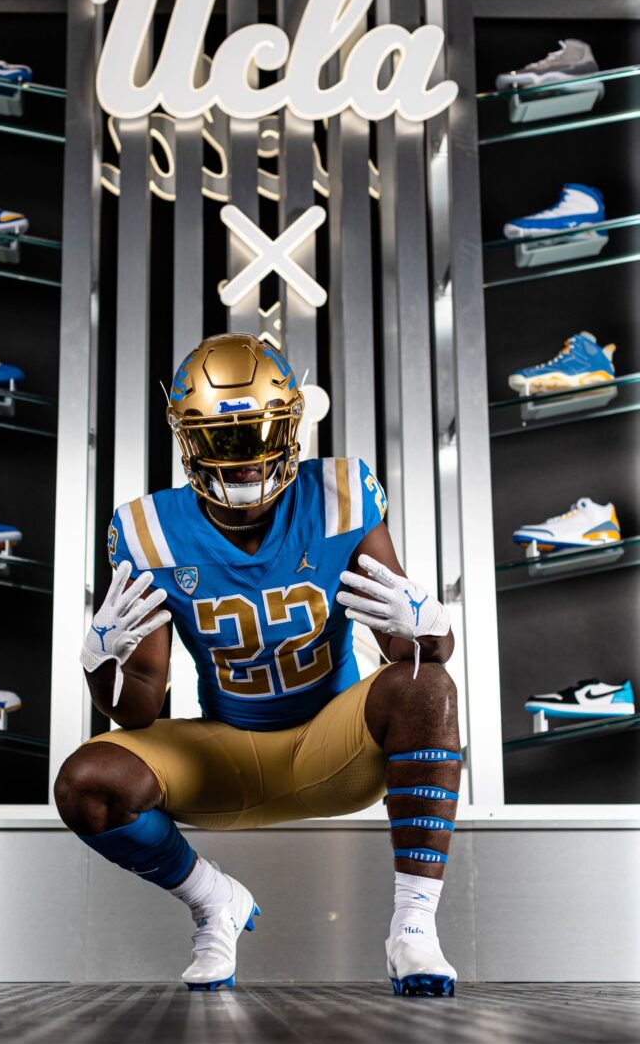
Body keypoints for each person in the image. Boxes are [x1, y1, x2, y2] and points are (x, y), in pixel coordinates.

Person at [54, 333, 461, 997]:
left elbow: (411, 658)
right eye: (223, 439)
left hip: (334, 740)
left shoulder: (339, 494)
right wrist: (100, 665)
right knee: (88, 781)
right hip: (227, 753)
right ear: (187, 438)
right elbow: (139, 708)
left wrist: (434, 630)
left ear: (291, 426)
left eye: (256, 435)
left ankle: (414, 931)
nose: (243, 462)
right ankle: (214, 900)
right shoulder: (150, 529)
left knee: (427, 686)